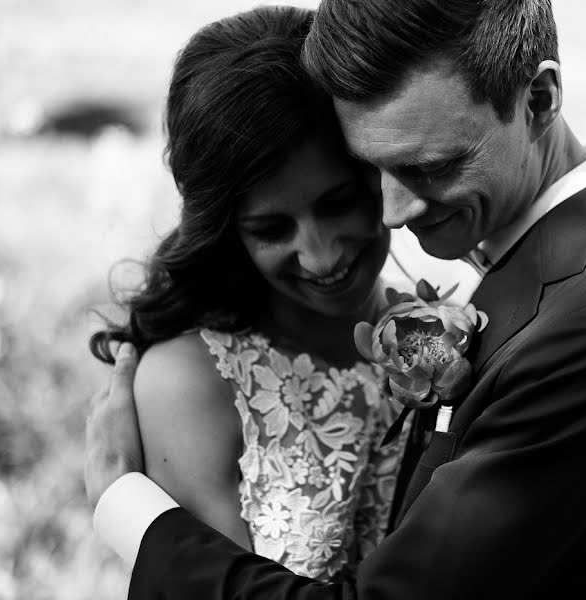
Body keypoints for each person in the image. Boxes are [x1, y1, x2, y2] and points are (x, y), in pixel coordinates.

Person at [85, 1, 586, 598]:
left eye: (430, 166)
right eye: (373, 169)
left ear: (539, 98)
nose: (392, 214)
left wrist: (127, 511)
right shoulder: (536, 275)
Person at [87, 6, 405, 581]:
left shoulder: (439, 333)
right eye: (272, 229)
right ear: (228, 229)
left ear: (378, 170)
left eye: (339, 203)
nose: (322, 256)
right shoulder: (194, 383)